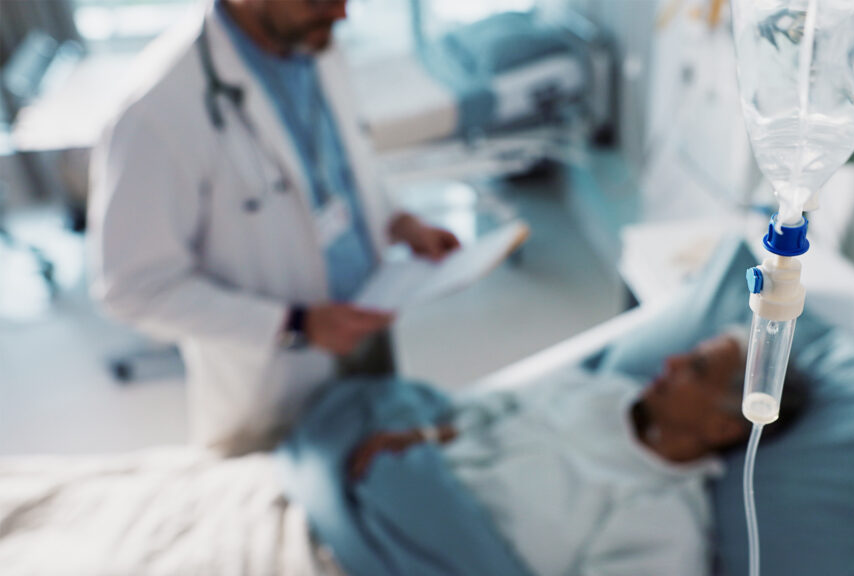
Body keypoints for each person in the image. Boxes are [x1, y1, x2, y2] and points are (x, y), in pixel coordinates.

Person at [88, 0, 459, 456]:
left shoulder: (315, 42)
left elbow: (341, 166)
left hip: (365, 333)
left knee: (382, 473)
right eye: (319, 0)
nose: (342, 15)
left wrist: (399, 221)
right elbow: (134, 288)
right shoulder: (155, 110)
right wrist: (295, 325)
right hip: (273, 382)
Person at [287, 330, 807, 576]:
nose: (669, 361)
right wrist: (417, 437)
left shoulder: (663, 520)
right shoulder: (597, 389)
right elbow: (479, 412)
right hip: (392, 481)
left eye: (694, 368)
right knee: (356, 411)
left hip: (438, 554)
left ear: (722, 425)